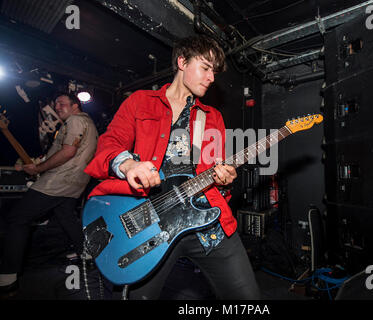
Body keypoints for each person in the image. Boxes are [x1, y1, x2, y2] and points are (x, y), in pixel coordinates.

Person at [83, 34, 261, 300]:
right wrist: (129, 164)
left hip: (207, 222)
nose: (211, 78)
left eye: (214, 72)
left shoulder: (212, 117)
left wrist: (225, 178)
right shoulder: (140, 102)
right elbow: (109, 143)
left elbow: (216, 168)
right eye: (205, 68)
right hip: (152, 224)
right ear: (182, 62)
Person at [0, 93, 98, 297]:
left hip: (57, 182)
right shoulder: (86, 123)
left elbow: (68, 152)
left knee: (17, 219)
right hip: (74, 184)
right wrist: (33, 164)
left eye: (62, 103)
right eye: (56, 104)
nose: (58, 107)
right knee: (66, 218)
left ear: (75, 105)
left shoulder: (76, 120)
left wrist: (38, 169)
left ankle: (8, 276)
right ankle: (87, 255)